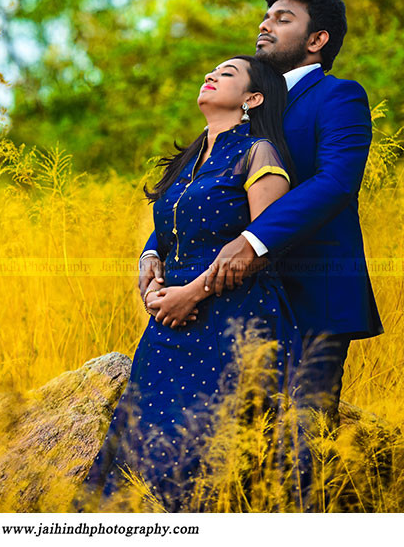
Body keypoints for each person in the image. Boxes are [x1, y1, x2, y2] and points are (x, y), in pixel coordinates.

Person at [139, 0, 384, 510]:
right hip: (233, 304)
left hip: (313, 293)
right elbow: (208, 185)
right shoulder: (244, 105)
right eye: (265, 15)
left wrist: (253, 240)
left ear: (317, 39)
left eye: (282, 17)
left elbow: (337, 182)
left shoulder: (339, 96)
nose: (265, 24)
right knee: (219, 450)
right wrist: (154, 250)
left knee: (299, 451)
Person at [78, 54, 301, 511]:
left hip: (234, 319)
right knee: (140, 448)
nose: (210, 76)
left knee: (203, 455)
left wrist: (189, 294)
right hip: (168, 328)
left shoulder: (258, 153)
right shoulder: (190, 157)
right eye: (211, 71)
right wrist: (150, 259)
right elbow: (169, 223)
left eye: (227, 74)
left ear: (252, 98)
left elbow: (265, 244)